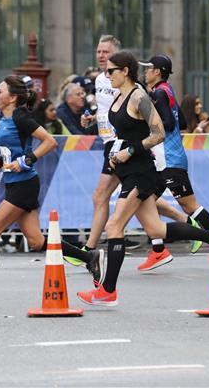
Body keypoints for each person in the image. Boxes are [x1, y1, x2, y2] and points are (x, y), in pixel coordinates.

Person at [76, 51, 209, 307]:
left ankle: (108, 291)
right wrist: (103, 137)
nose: (107, 75)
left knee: (114, 227)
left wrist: (129, 151)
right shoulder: (119, 96)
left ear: (125, 71)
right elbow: (123, 129)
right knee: (157, 230)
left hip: (141, 172)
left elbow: (159, 132)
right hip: (126, 169)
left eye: (111, 71)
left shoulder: (139, 96)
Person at [0, 76, 104, 307]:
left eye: (0, 91)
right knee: (36, 241)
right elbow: (14, 150)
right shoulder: (4, 119)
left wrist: (25, 160)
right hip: (15, 182)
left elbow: (50, 142)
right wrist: (2, 163)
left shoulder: (20, 117)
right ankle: (88, 256)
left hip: (24, 185)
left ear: (12, 97)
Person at [139, 55, 209, 272]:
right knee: (145, 201)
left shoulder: (159, 93)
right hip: (161, 160)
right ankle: (158, 250)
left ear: (157, 72)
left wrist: (147, 114)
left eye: (148, 69)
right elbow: (182, 122)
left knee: (190, 205)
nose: (145, 72)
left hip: (170, 159)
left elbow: (167, 124)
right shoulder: (166, 90)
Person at [74, 35, 130, 257]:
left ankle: (89, 250)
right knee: (143, 200)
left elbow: (131, 108)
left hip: (121, 144)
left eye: (105, 51)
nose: (100, 55)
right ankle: (190, 226)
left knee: (100, 195)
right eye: (98, 51)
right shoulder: (98, 80)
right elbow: (106, 110)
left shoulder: (124, 79)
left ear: (116, 54)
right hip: (108, 142)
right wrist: (93, 119)